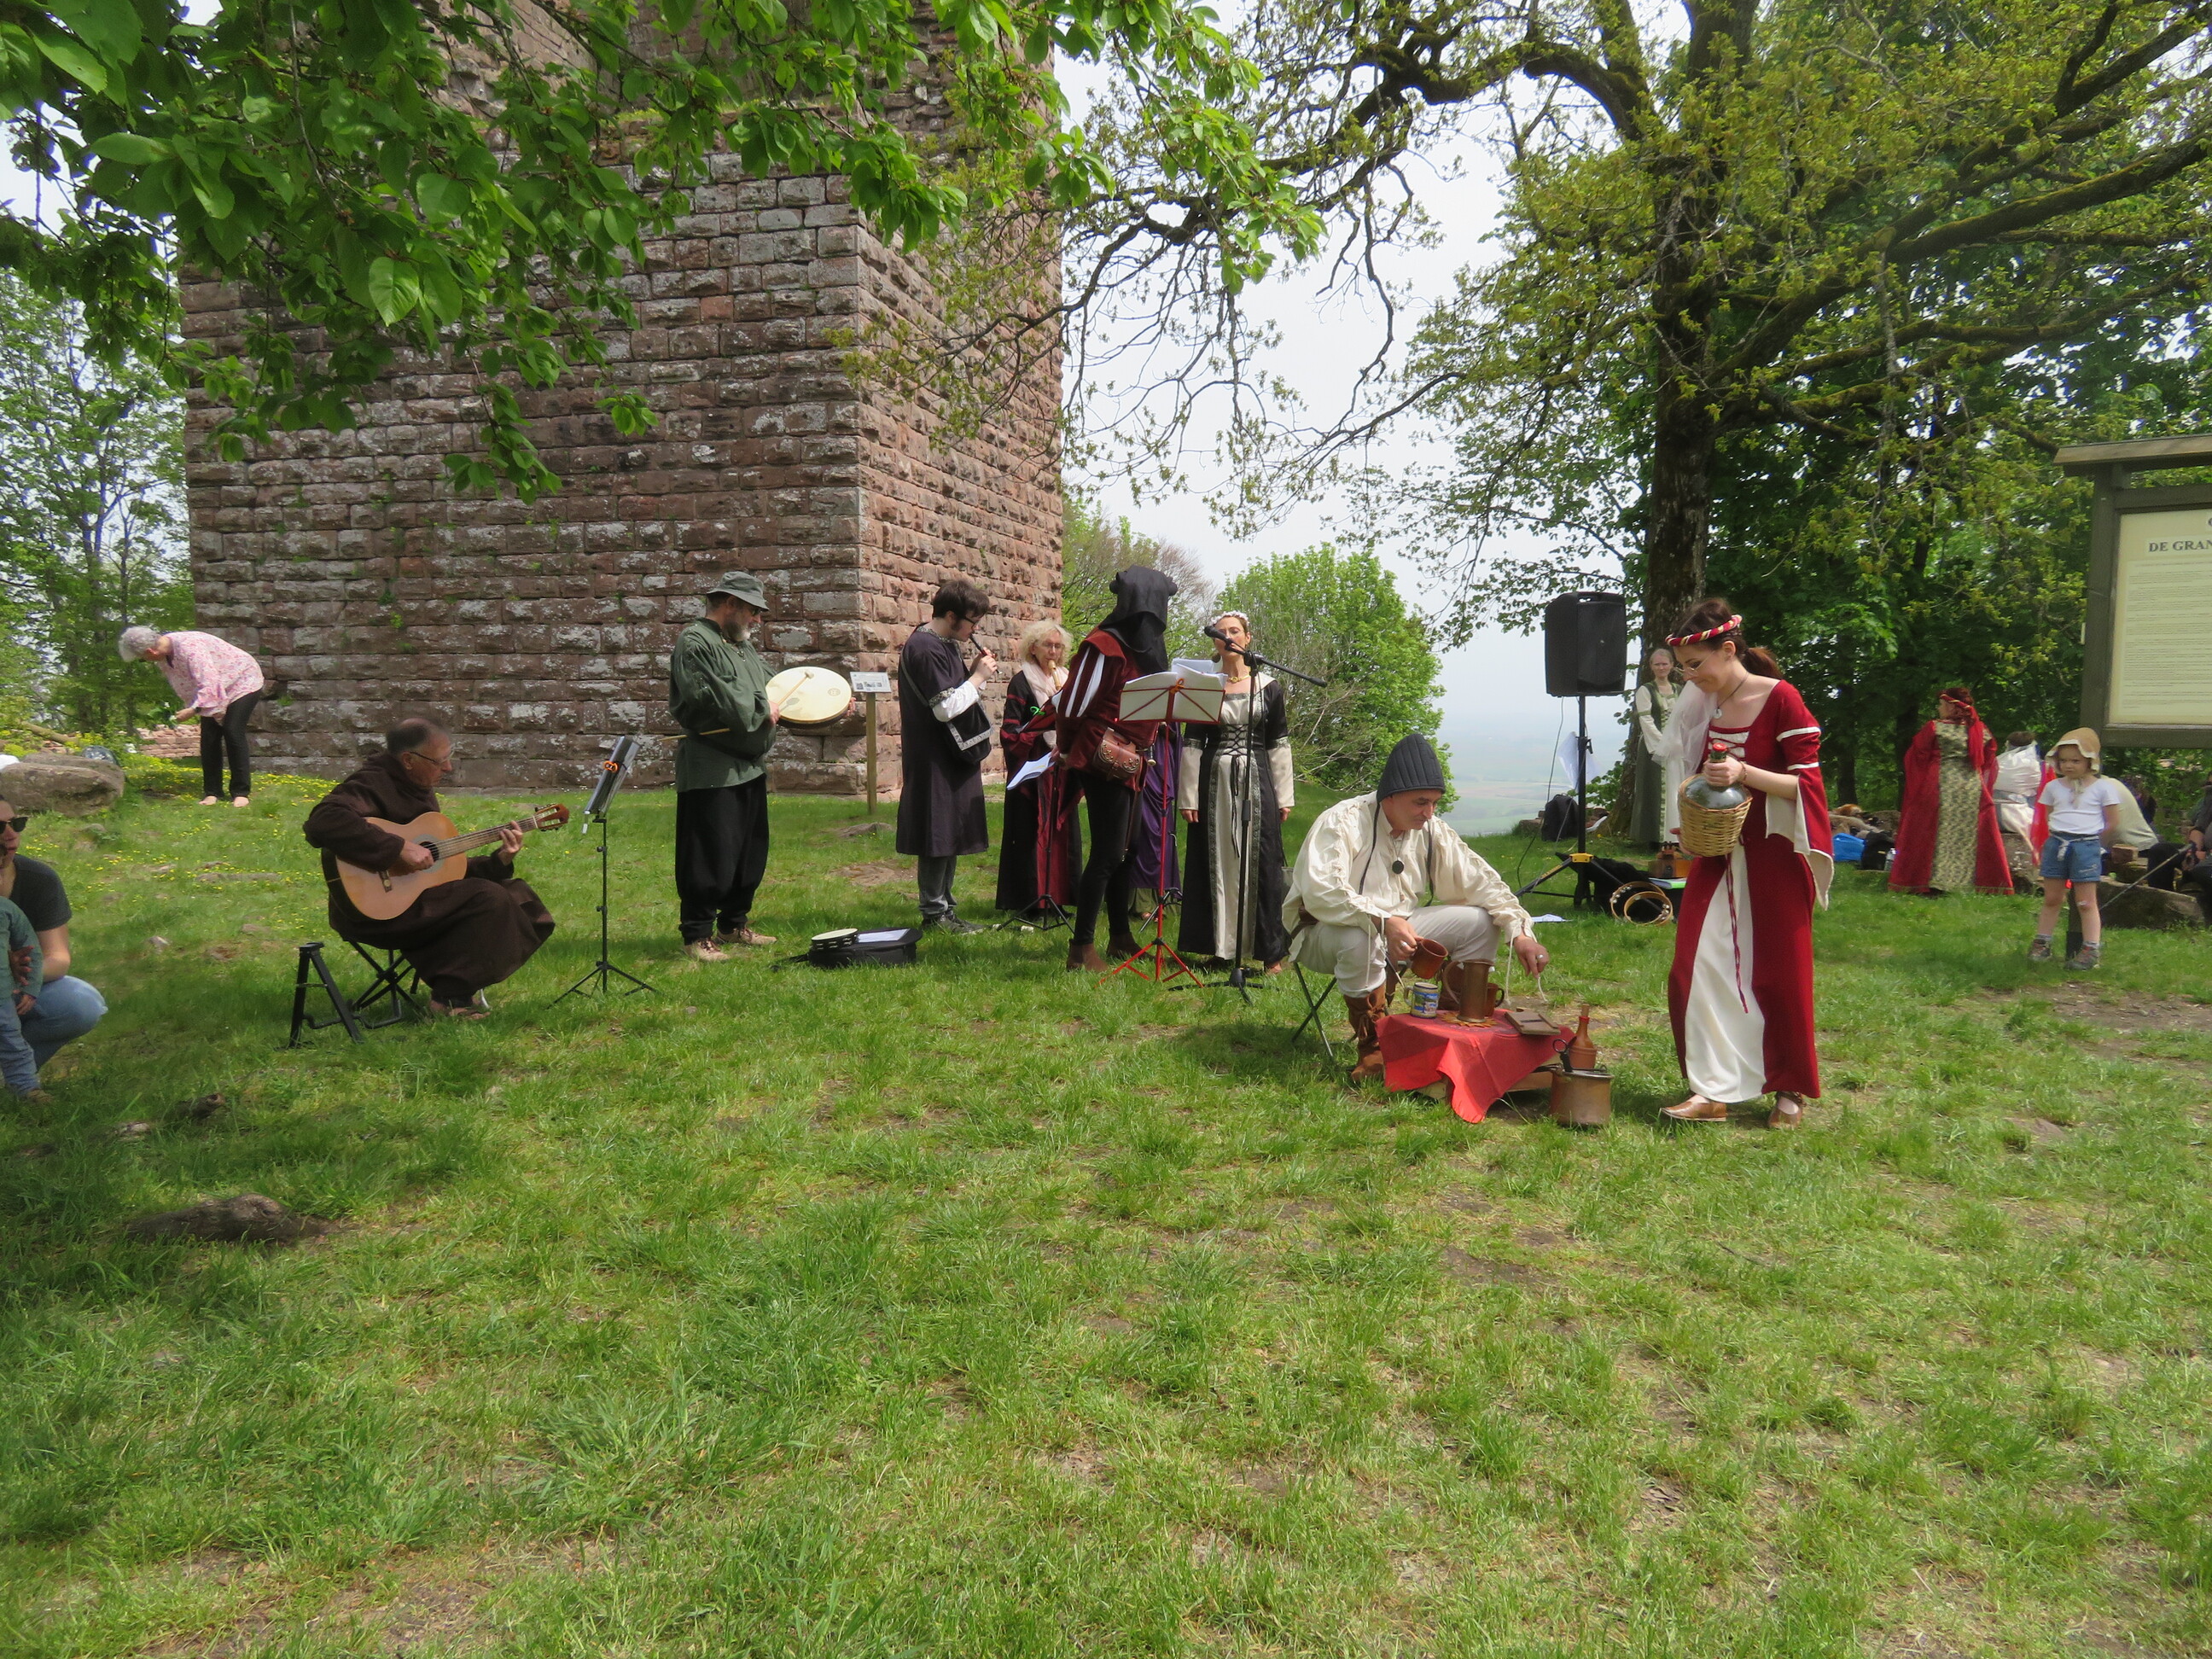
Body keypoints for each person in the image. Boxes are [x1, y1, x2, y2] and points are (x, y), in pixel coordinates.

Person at [1284, 732, 1547, 1082]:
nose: (1429, 812)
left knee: (1480, 922)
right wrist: (1383, 920)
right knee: (1360, 938)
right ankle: (1374, 1046)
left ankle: (1452, 1030)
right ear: (1389, 797)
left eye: (1435, 803)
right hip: (1324, 933)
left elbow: (1483, 883)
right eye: (1420, 802)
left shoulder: (1431, 829)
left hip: (1399, 930)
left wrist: (1521, 933)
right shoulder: (1343, 821)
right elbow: (1324, 892)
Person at [1658, 600, 1831, 1129]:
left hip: (1774, 855)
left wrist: (1743, 772)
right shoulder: (1706, 706)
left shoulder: (1781, 698)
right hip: (1719, 853)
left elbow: (1806, 786)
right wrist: (1692, 818)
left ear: (1728, 650)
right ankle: (1712, 1090)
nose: (1689, 677)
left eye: (1696, 665)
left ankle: (1789, 1089)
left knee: (1780, 970)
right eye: (1683, 668)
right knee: (1695, 967)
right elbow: (1701, 777)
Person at [302, 719, 556, 1017]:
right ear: (408, 760)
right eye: (439, 761)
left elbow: (437, 869)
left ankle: (457, 985)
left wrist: (499, 860)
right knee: (487, 898)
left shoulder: (416, 786)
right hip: (373, 911)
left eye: (450, 757)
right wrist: (399, 848)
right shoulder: (372, 783)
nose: (448, 768)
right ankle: (449, 998)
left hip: (412, 898)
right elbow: (323, 821)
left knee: (519, 898)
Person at [1057, 567, 1175, 971]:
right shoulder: (1104, 644)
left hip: (1133, 759)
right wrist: (1066, 748)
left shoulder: (1149, 649)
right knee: (1108, 853)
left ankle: (1120, 936)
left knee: (1129, 849)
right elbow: (1073, 704)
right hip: (1101, 755)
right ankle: (1081, 949)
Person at [668, 573, 781, 962]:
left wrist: (820, 702)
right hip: (711, 767)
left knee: (748, 852)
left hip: (749, 765)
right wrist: (764, 709)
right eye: (752, 610)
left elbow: (776, 685)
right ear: (730, 604)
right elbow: (712, 697)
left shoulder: (740, 645)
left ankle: (733, 924)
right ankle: (697, 935)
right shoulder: (695, 643)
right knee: (710, 853)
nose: (757, 620)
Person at [1179, 611, 1293, 971]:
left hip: (1257, 779)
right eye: (1221, 632)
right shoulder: (1204, 687)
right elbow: (1192, 743)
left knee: (1263, 862)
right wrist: (1188, 797)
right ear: (1214, 641)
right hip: (1214, 781)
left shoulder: (1268, 686)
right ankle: (1221, 947)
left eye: (1235, 631)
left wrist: (1284, 795)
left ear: (1247, 638)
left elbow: (1278, 743)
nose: (1228, 637)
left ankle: (1270, 952)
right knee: (1216, 861)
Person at [897, 579, 995, 933]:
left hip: (951, 754)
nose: (974, 630)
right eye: (972, 622)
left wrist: (972, 673)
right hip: (933, 756)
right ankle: (934, 913)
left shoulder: (945, 643)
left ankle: (946, 910)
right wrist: (978, 678)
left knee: (950, 830)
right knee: (937, 833)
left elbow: (952, 694)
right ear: (952, 616)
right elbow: (944, 709)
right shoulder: (925, 648)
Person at [0, 799, 107, 1073]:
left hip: (15, 989)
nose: (11, 835)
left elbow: (57, 958)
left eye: (16, 824)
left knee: (80, 1003)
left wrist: (17, 975)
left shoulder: (39, 879)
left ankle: (13, 1072)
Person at [118, 626, 265, 807]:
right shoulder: (164, 658)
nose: (145, 661)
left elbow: (210, 682)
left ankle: (240, 792)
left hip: (242, 680)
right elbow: (187, 684)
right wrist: (190, 707)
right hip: (214, 688)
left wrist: (194, 709)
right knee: (209, 737)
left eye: (143, 658)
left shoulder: (191, 648)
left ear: (150, 651)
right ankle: (212, 792)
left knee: (232, 730)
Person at [994, 620, 1080, 919]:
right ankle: (1030, 901)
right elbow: (1010, 731)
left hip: (1062, 768)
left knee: (1060, 833)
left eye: (1058, 646)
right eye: (1048, 645)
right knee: (1032, 833)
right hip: (1034, 769)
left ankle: (1058, 898)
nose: (1053, 651)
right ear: (1033, 648)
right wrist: (1037, 731)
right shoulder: (1022, 681)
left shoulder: (1068, 680)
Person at [1889, 687, 2011, 895]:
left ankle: (1929, 881)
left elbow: (1917, 755)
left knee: (1930, 831)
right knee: (1969, 834)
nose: (1939, 708)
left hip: (1938, 786)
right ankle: (1970, 883)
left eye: (1941, 704)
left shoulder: (1934, 728)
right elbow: (1988, 758)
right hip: (1972, 788)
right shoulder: (1981, 730)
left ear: (1951, 706)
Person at [2028, 729, 2126, 969]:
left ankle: (2091, 949)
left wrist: (2093, 843)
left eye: (2075, 760)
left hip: (2086, 846)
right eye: (2064, 761)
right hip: (2057, 843)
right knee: (2052, 898)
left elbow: (2112, 821)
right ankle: (2042, 943)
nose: (2069, 765)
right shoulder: (2053, 787)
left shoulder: (2103, 788)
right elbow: (2049, 817)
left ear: (2090, 762)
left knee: (2085, 902)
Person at [1628, 646, 1683, 847]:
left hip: (1677, 746)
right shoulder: (1646, 690)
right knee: (1654, 789)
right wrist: (1662, 744)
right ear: (1651, 666)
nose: (1661, 667)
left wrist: (1680, 742)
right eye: (1657, 664)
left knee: (1676, 788)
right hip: (1654, 746)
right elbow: (1646, 720)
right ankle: (1654, 838)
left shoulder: (1679, 690)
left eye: (1665, 664)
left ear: (1672, 665)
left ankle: (1676, 836)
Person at [0, 889, 44, 1098]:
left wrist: (31, 987)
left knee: (13, 1045)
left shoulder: (6, 909)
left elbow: (30, 949)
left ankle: (27, 1090)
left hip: (1, 999)